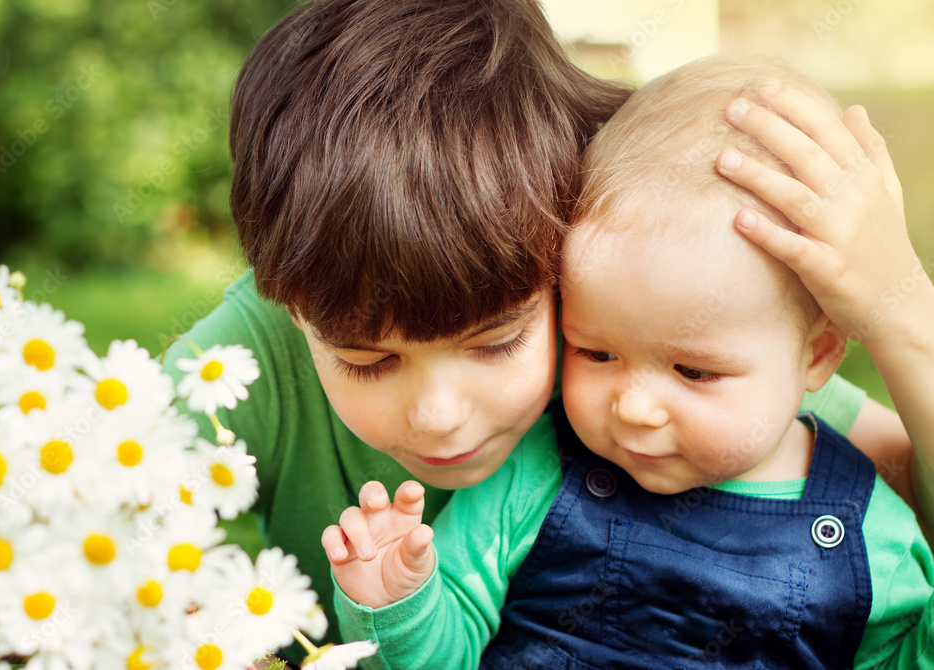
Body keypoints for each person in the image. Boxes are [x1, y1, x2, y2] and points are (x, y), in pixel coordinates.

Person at [162, 0, 916, 658]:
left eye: (495, 342)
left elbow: (910, 482)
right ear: (291, 306)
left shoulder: (639, 333)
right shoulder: (247, 353)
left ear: (565, 247)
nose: (440, 416)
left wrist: (901, 310)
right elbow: (80, 513)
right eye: (365, 359)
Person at [326, 55, 934, 668]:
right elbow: (449, 650)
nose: (635, 407)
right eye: (596, 352)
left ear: (819, 354)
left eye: (694, 372)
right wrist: (400, 605)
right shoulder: (534, 477)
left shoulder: (873, 540)